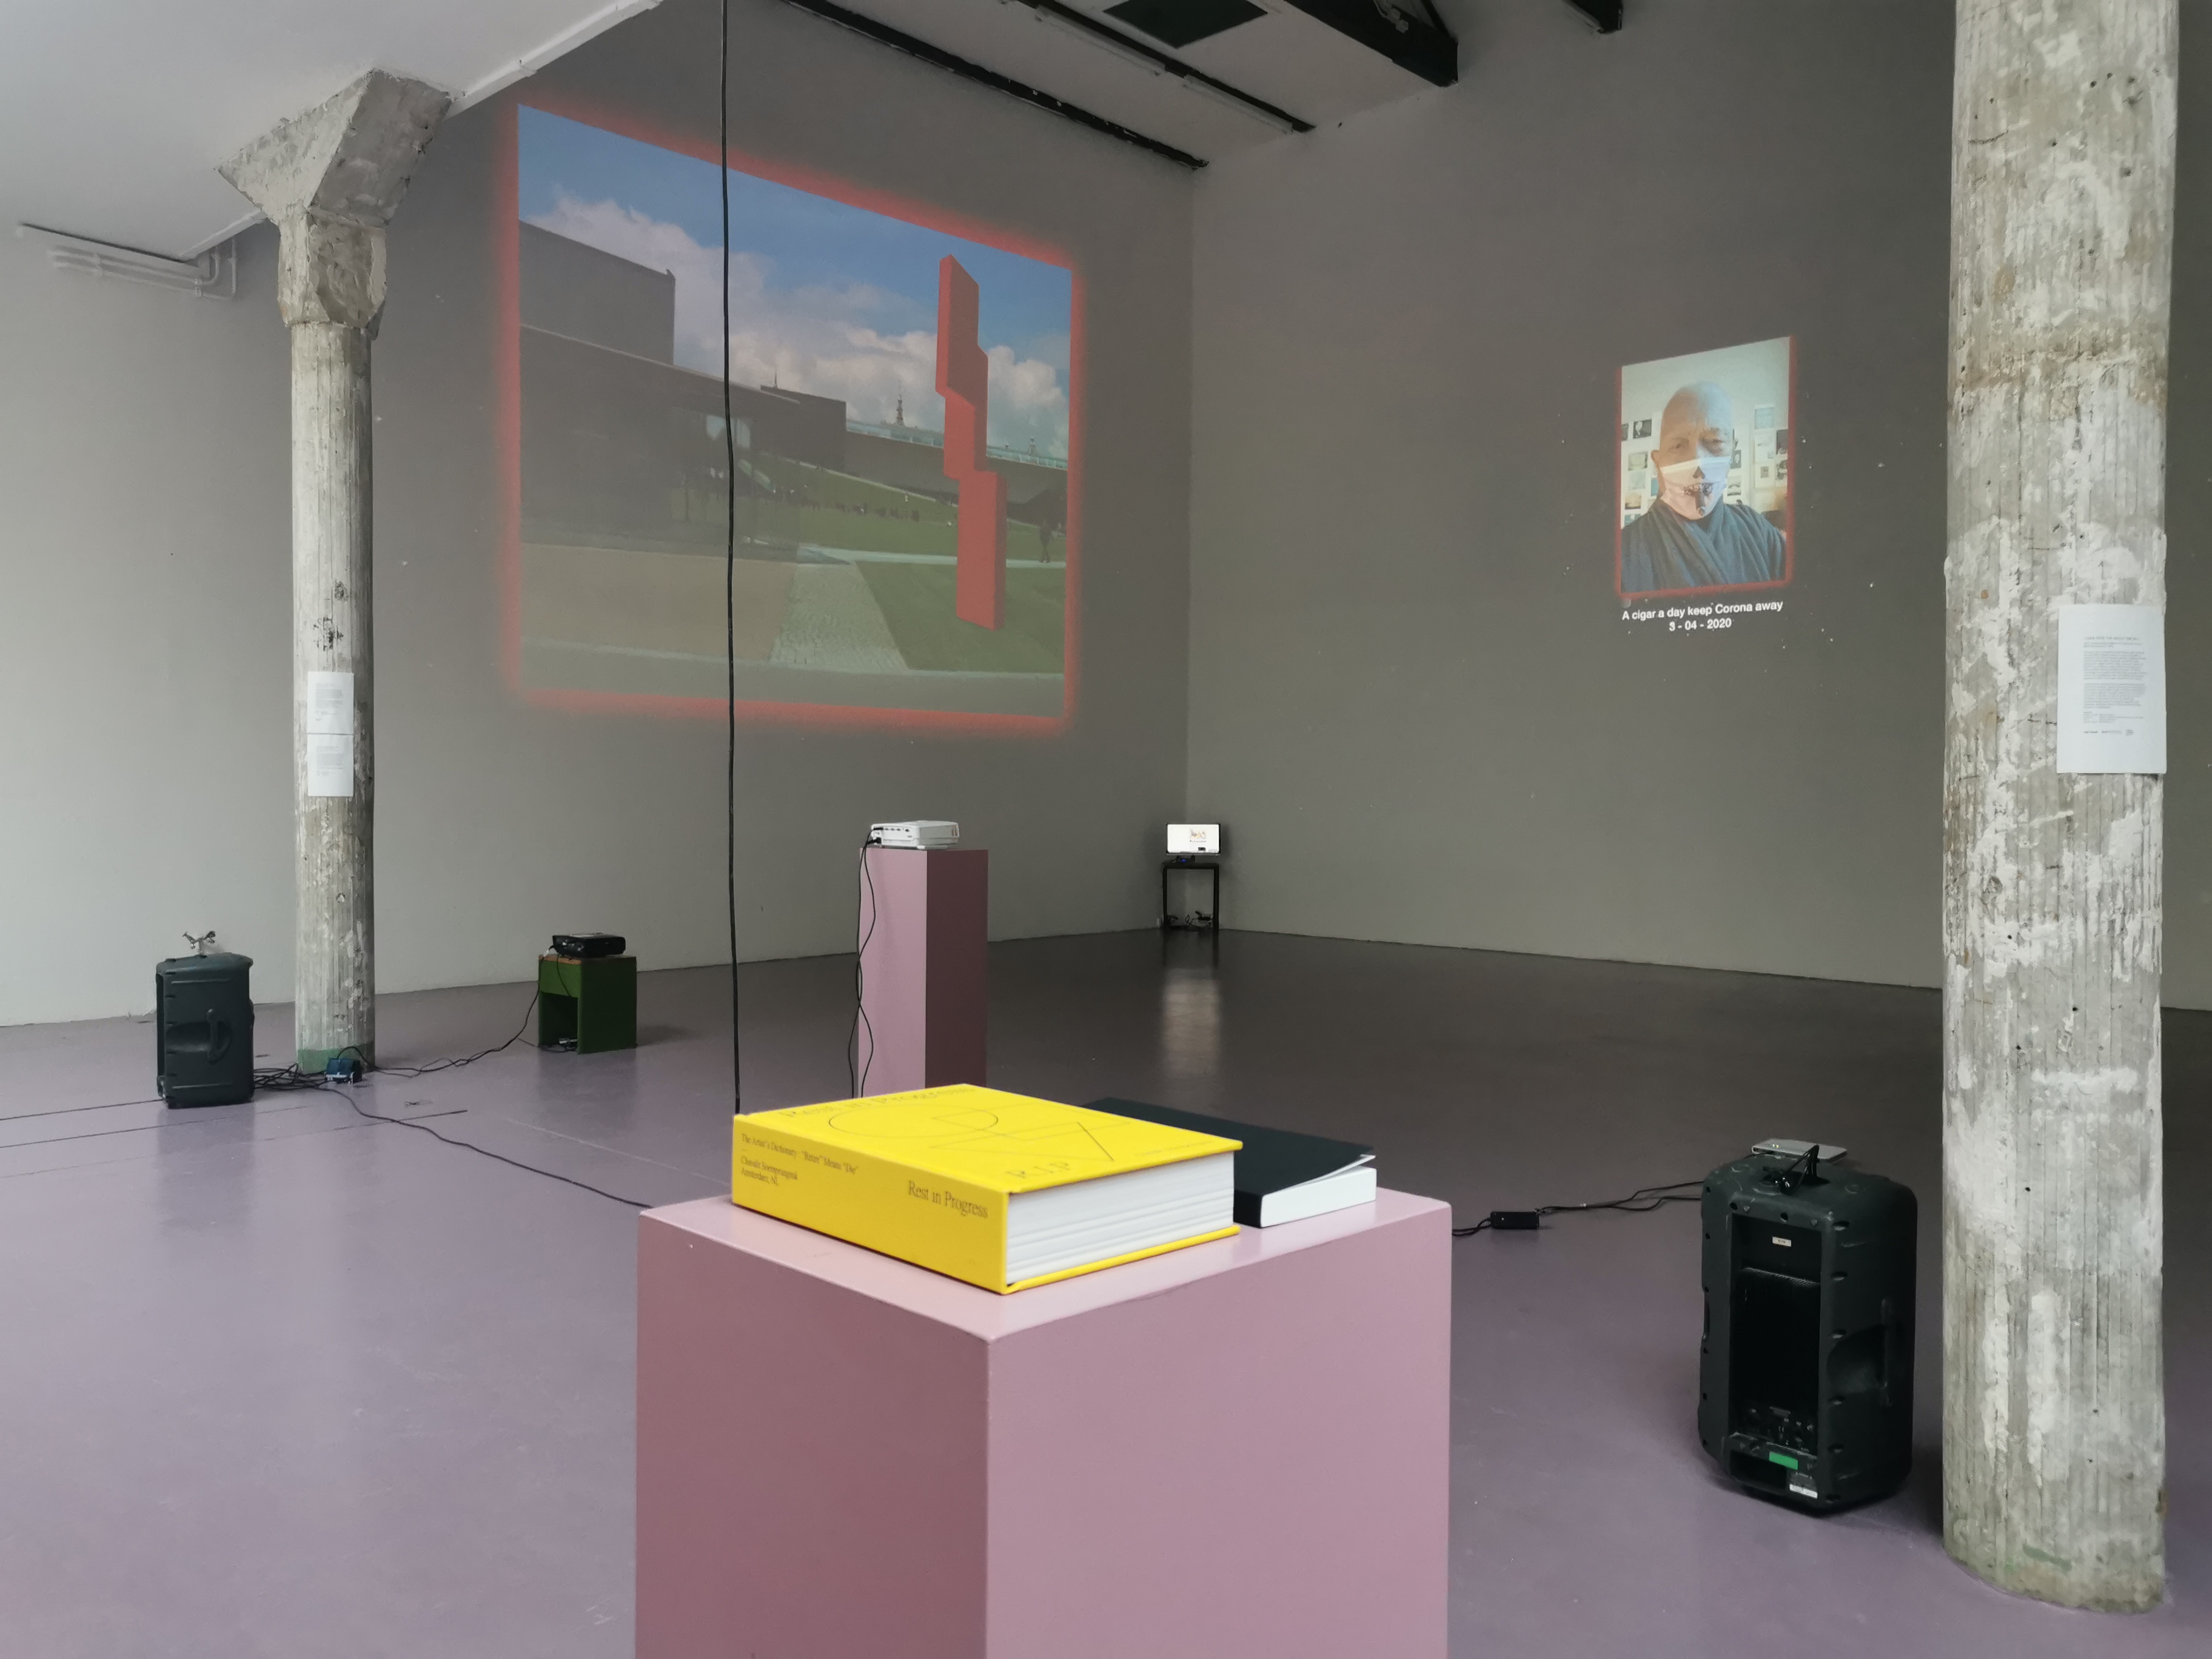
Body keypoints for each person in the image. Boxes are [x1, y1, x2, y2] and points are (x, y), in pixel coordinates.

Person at [1620, 381, 1786, 594]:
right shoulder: (1623, 552)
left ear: (1732, 452)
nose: (1698, 465)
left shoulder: (1758, 531)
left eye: (1714, 441)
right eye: (1678, 445)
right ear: (1657, 462)